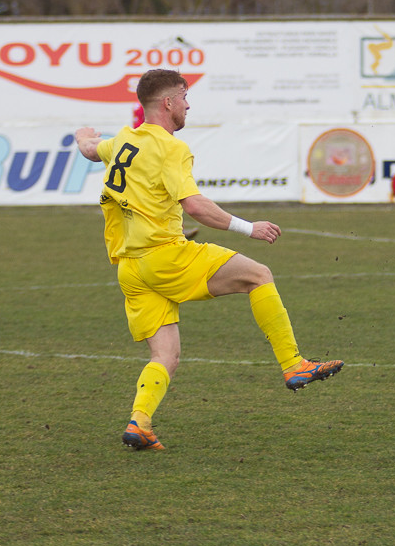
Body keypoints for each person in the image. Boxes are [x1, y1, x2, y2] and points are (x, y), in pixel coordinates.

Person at [75, 69, 343, 451]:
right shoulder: (171, 148)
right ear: (168, 103)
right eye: (184, 97)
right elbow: (196, 206)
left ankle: (140, 423)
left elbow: (89, 148)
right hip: (166, 257)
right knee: (258, 274)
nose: (188, 104)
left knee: (165, 355)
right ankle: (293, 363)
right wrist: (249, 227)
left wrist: (82, 135)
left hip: (131, 269)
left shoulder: (123, 141)